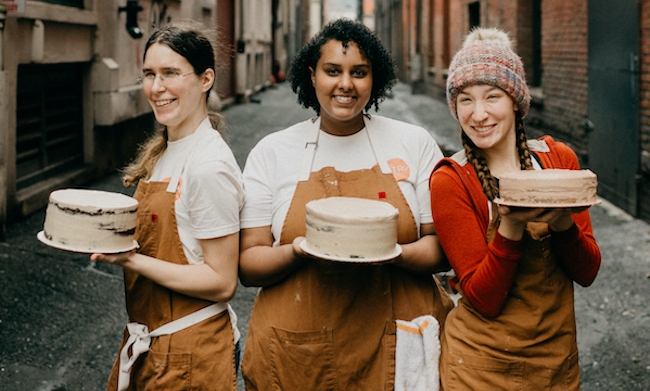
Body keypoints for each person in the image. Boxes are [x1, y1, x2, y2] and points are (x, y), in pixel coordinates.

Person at [239, 18, 454, 390]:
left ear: (375, 78)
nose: (345, 84)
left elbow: (442, 249)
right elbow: (248, 265)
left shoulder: (413, 143)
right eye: (332, 71)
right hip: (299, 356)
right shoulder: (273, 153)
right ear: (312, 75)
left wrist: (391, 251)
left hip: (397, 352)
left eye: (359, 72)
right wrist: (300, 249)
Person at [429, 27, 601, 390]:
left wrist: (560, 221)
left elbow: (587, 272)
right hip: (479, 368)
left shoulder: (558, 160)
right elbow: (484, 299)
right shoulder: (452, 180)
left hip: (555, 363)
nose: (478, 114)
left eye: (492, 96)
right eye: (465, 100)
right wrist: (511, 226)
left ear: (516, 100)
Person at [90, 22, 244, 391]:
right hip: (156, 343)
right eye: (149, 74)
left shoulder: (208, 166)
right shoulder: (168, 151)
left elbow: (222, 282)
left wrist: (128, 259)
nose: (156, 88)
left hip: (190, 352)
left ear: (205, 79)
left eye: (171, 73)